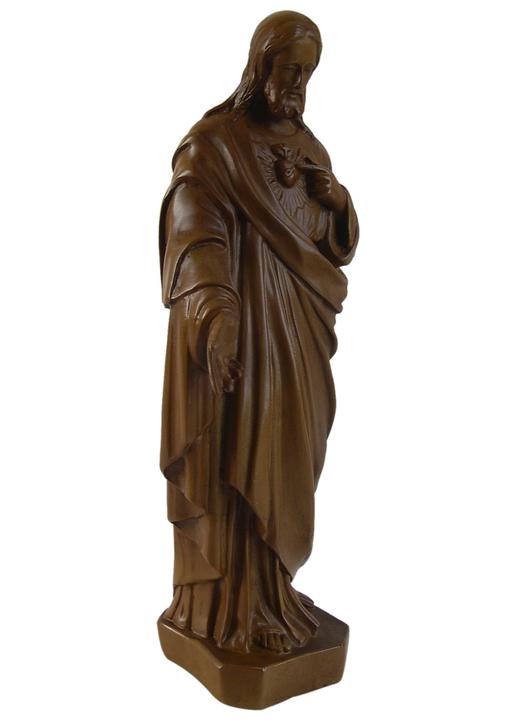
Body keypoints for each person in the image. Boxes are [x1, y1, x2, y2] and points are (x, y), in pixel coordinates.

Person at [158, 10, 359, 655]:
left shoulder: (311, 150)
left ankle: (272, 592)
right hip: (244, 335)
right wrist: (215, 313)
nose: (298, 84)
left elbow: (328, 245)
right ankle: (230, 612)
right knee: (240, 448)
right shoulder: (214, 146)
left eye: (309, 73)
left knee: (290, 448)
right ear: (260, 66)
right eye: (289, 69)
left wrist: (337, 203)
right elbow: (195, 230)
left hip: (297, 338)